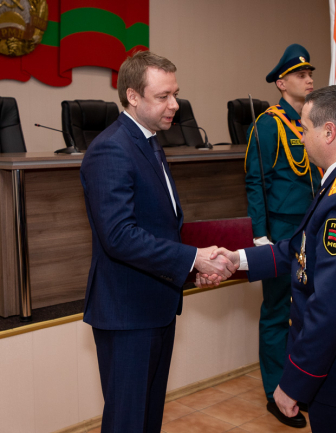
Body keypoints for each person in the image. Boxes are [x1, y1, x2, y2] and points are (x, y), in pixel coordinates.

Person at [201, 85, 336, 432]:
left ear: (329, 132)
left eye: (305, 128)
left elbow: (331, 305)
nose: (300, 136)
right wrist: (238, 260)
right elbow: (301, 249)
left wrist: (295, 381)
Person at [80, 51, 236, 433]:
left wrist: (192, 264)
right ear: (133, 96)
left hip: (155, 305)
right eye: (163, 96)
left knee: (147, 420)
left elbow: (161, 224)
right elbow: (119, 236)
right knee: (128, 422)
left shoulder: (148, 140)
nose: (175, 104)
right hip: (128, 312)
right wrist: (192, 259)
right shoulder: (111, 148)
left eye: (175, 94)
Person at [244, 42, 322, 428]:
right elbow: (255, 181)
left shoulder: (312, 123)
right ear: (281, 82)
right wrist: (260, 235)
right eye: (300, 75)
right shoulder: (268, 124)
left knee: (305, 311)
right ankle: (274, 391)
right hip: (279, 231)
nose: (309, 80)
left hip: (310, 228)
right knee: (277, 311)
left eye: (310, 74)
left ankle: (295, 386)